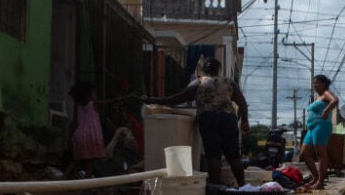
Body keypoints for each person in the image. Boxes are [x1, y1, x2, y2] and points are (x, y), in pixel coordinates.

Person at [144, 57, 250, 186]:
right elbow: (242, 103)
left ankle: (215, 187)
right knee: (233, 155)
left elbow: (176, 99)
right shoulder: (229, 83)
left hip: (208, 118)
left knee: (213, 154)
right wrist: (245, 121)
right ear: (218, 70)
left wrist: (152, 100)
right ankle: (244, 186)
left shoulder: (198, 83)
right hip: (228, 119)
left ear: (204, 70)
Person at [64, 81, 132, 179]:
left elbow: (74, 124)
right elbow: (111, 101)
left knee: (76, 160)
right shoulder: (93, 104)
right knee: (90, 163)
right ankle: (87, 184)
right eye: (92, 93)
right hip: (92, 138)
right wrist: (126, 97)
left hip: (79, 137)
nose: (94, 95)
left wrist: (69, 138)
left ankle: (62, 178)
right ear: (87, 94)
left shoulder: (78, 107)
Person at [299, 75, 339, 190]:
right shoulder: (317, 97)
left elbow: (335, 101)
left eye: (317, 83)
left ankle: (320, 182)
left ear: (324, 84)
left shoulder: (326, 93)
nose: (314, 85)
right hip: (311, 128)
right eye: (314, 83)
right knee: (304, 154)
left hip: (321, 126)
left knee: (320, 154)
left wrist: (326, 110)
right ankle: (316, 177)